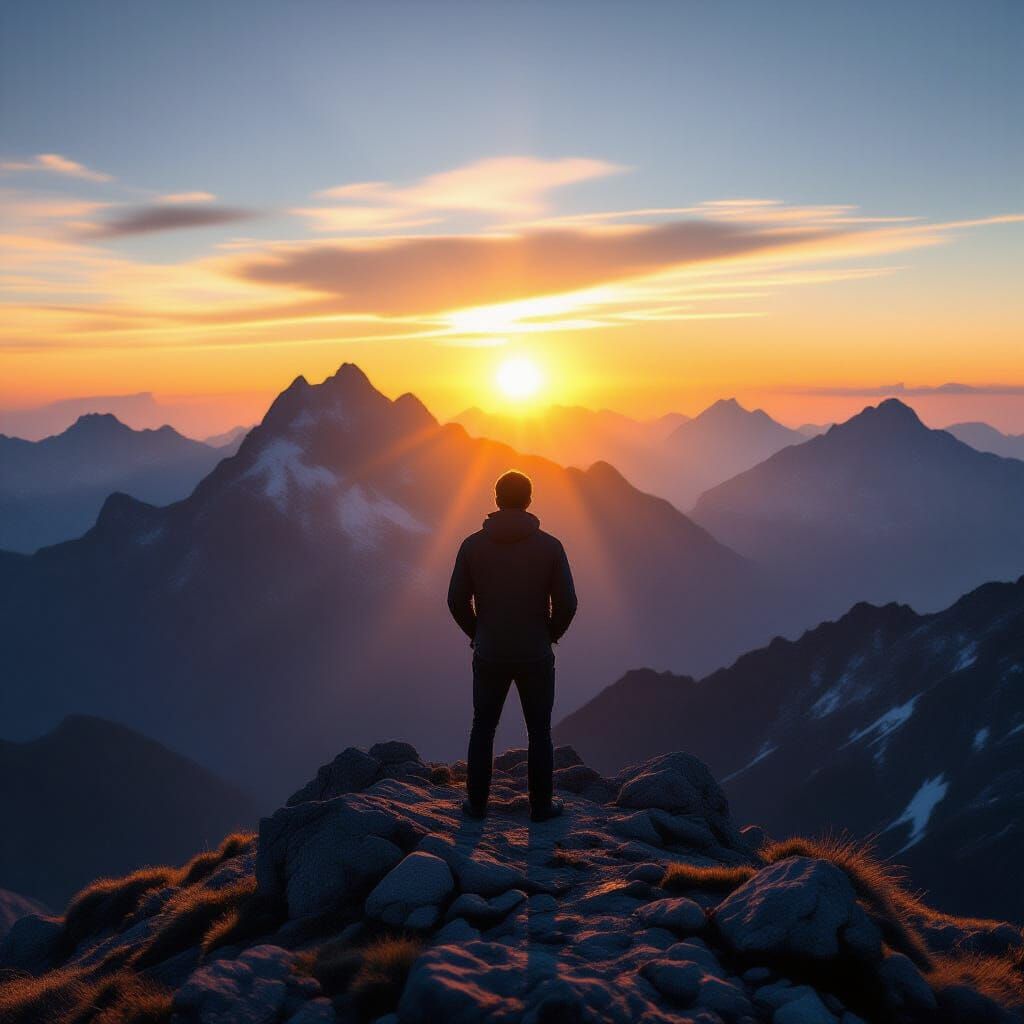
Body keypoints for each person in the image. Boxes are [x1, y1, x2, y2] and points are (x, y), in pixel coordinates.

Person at [447, 470, 577, 822]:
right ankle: (541, 807)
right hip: (535, 652)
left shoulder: (472, 545)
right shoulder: (550, 546)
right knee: (539, 731)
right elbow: (567, 603)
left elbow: (456, 599)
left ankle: (476, 806)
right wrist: (550, 634)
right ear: (529, 500)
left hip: (489, 652)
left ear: (496, 499)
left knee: (483, 726)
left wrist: (478, 632)